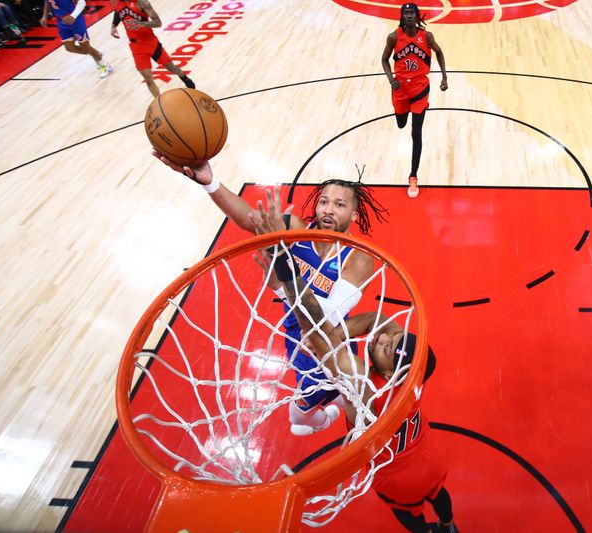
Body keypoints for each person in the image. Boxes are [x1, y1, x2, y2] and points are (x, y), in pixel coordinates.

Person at [153, 156, 388, 436]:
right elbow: (246, 217)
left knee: (299, 418)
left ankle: (328, 416)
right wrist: (209, 182)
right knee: (331, 398)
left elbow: (325, 314)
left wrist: (280, 273)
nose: (328, 210)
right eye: (324, 201)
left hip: (327, 343)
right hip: (294, 333)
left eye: (340, 205)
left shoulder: (358, 259)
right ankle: (337, 400)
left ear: (354, 215)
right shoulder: (296, 229)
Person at [254, 211, 458, 532]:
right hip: (425, 453)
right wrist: (360, 331)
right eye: (394, 336)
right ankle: (449, 525)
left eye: (387, 347)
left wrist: (285, 270)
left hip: (393, 472)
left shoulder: (363, 385)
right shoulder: (412, 375)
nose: (385, 338)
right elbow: (375, 326)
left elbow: (316, 329)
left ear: (388, 373)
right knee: (438, 492)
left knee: (407, 512)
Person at [381, 2, 447, 199]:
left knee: (416, 132)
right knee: (401, 124)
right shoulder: (393, 37)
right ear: (402, 16)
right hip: (400, 89)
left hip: (420, 89)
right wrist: (391, 79)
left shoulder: (426, 36)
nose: (409, 16)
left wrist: (444, 77)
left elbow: (439, 52)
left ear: (417, 16)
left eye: (412, 13)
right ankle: (407, 110)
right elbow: (384, 59)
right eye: (406, 13)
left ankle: (413, 175)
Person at [110, 0, 195, 97]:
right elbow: (118, 11)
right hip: (136, 47)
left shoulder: (142, 3)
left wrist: (142, 24)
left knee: (170, 67)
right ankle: (159, 102)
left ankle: (184, 77)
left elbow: (158, 23)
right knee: (148, 78)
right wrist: (113, 26)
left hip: (150, 42)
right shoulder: (115, 1)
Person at [40, 0, 112, 78]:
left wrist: (73, 16)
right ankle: (97, 54)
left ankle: (104, 65)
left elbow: (82, 2)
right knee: (69, 48)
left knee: (85, 46)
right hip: (61, 21)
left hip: (75, 19)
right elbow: (47, 2)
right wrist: (44, 16)